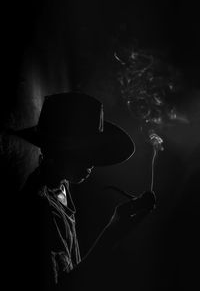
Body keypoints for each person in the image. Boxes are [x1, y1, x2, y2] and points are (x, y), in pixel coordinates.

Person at [12, 92, 156, 290]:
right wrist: (112, 233)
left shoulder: (61, 186)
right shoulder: (37, 210)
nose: (92, 162)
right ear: (56, 148)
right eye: (83, 152)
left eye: (94, 151)